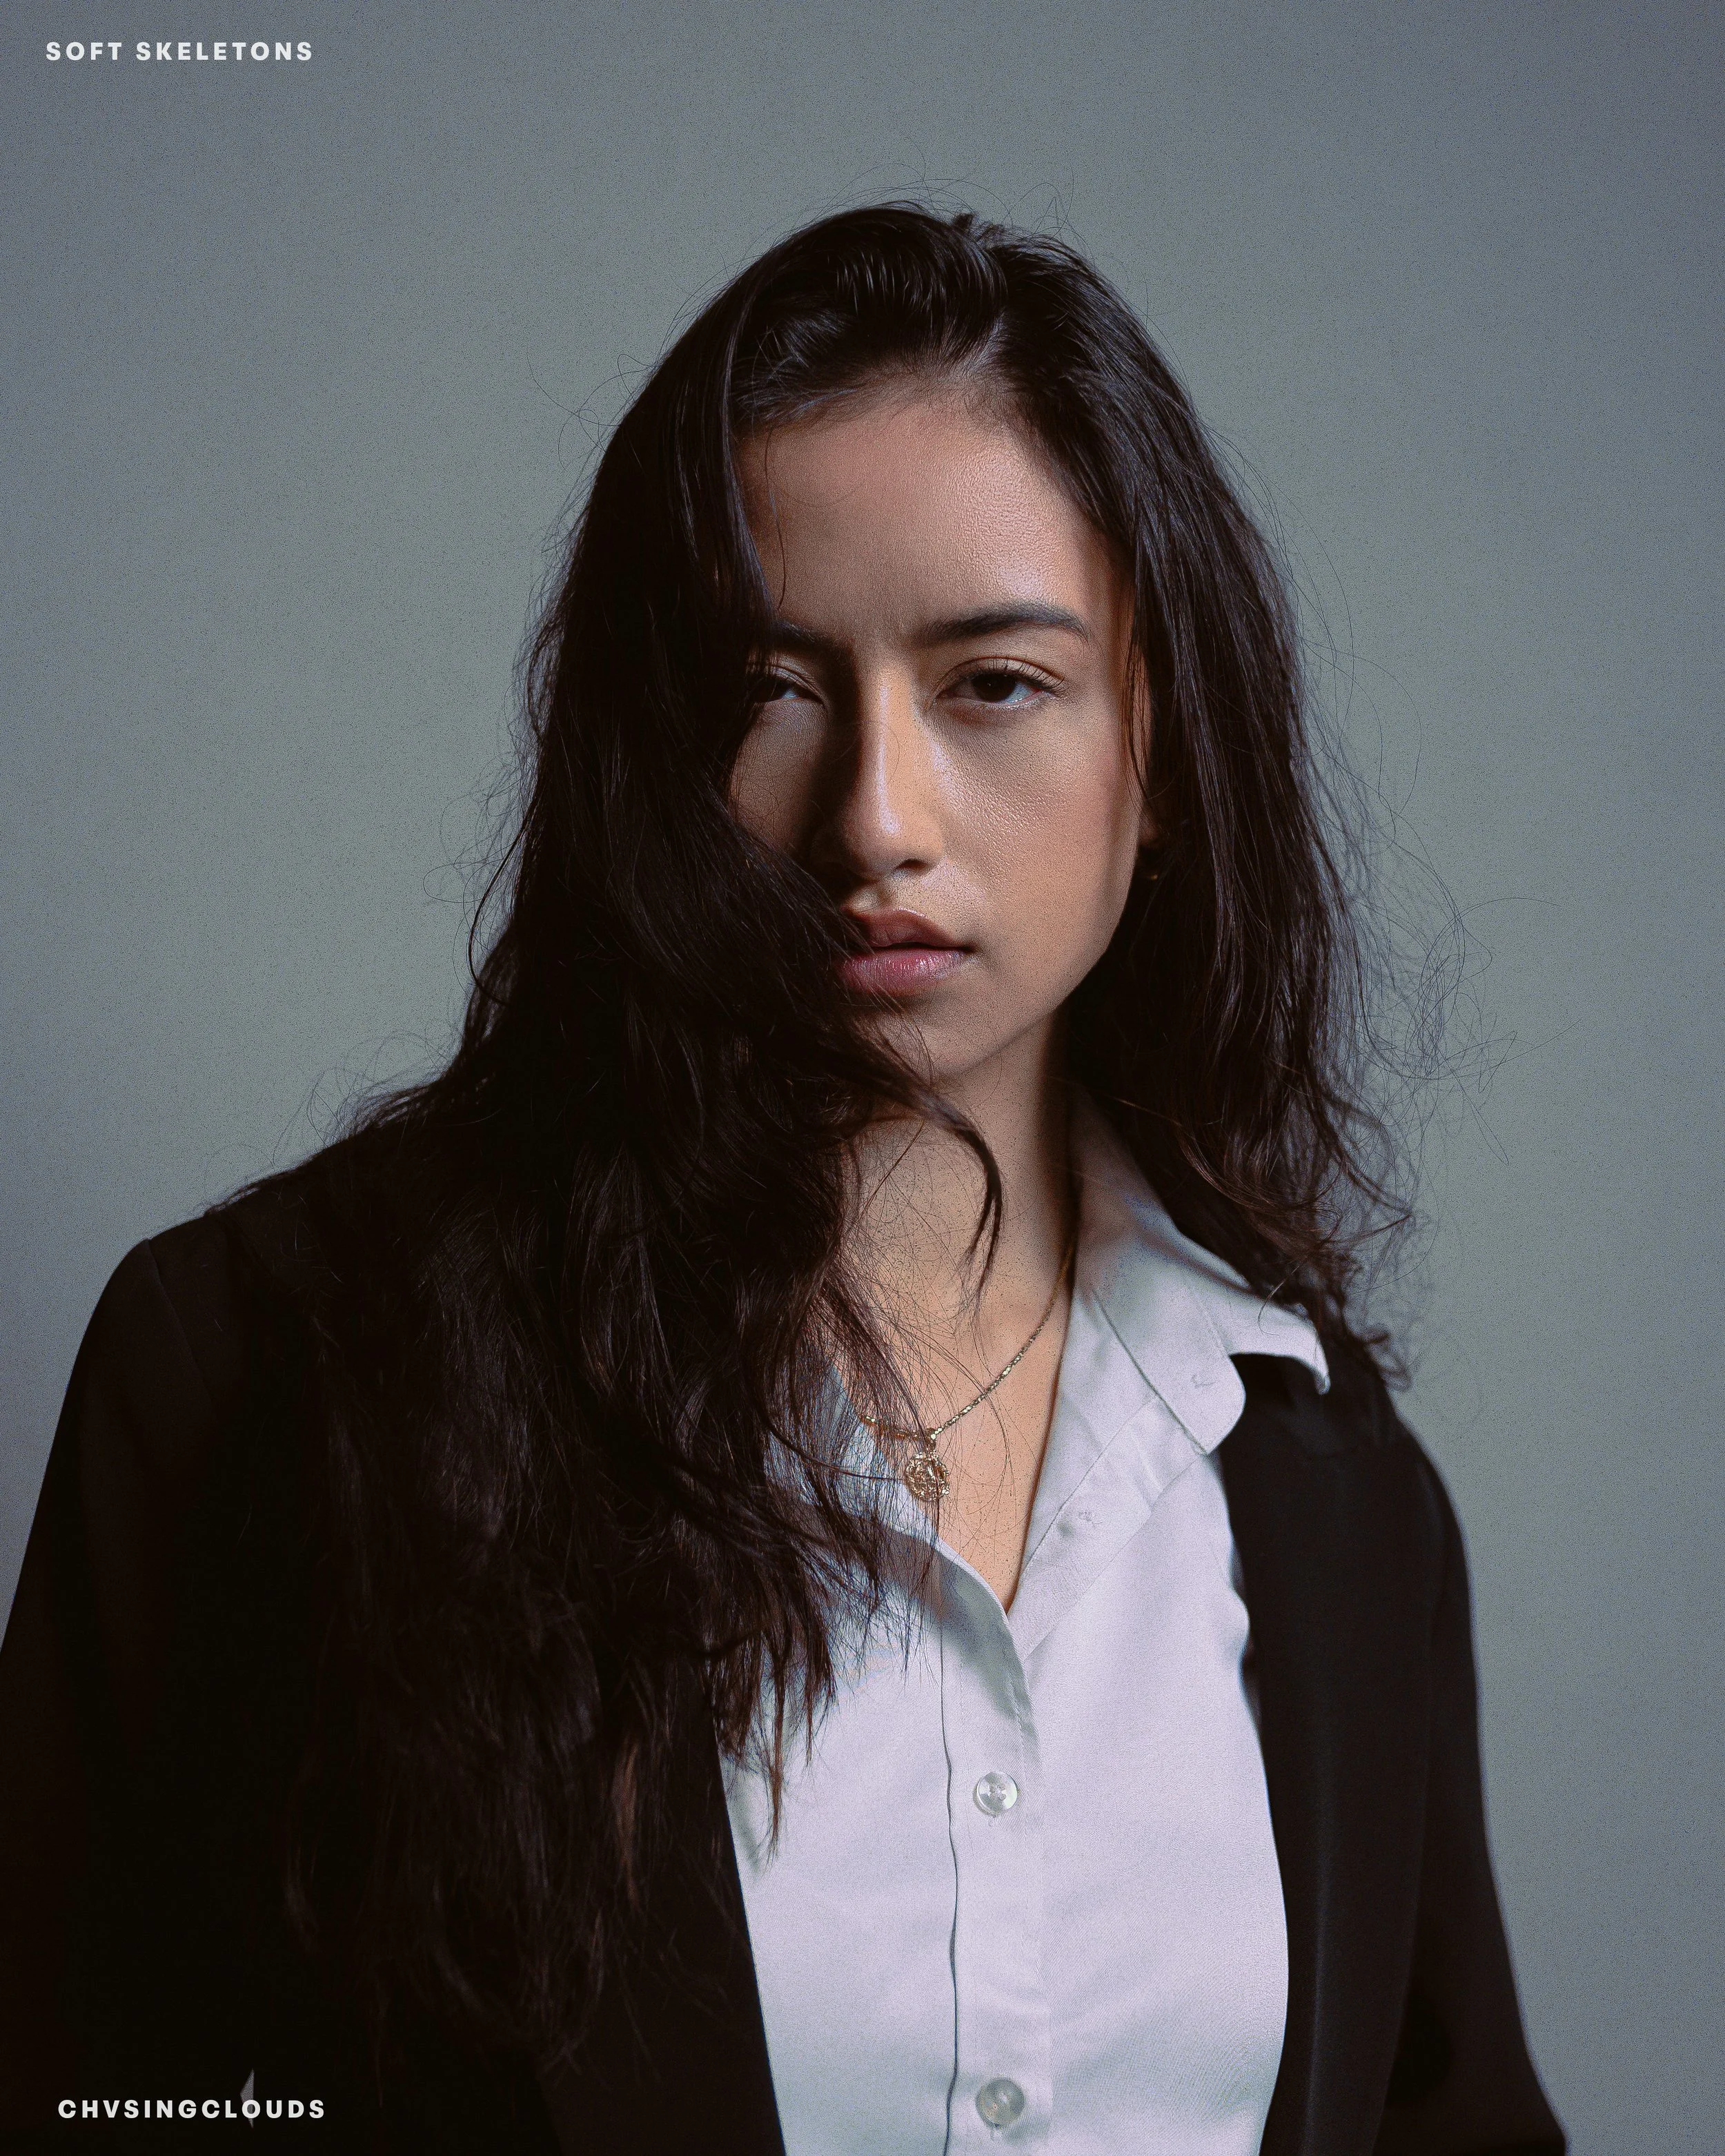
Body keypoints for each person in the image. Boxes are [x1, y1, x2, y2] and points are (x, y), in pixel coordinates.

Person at [0, 204, 1564, 2155]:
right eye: (769, 689)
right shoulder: (264, 1366)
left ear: (1158, 755)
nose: (874, 821)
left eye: (994, 683)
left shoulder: (1322, 1474)